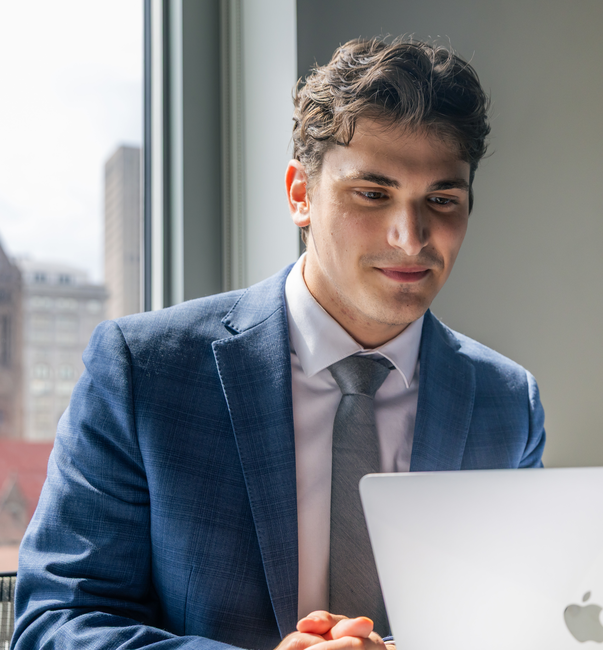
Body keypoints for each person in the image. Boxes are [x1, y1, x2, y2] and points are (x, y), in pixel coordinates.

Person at [14, 38, 545, 650]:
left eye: (442, 200)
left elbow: (515, 624)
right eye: (372, 194)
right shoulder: (144, 372)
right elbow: (53, 624)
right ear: (300, 195)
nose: (410, 237)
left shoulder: (509, 403)